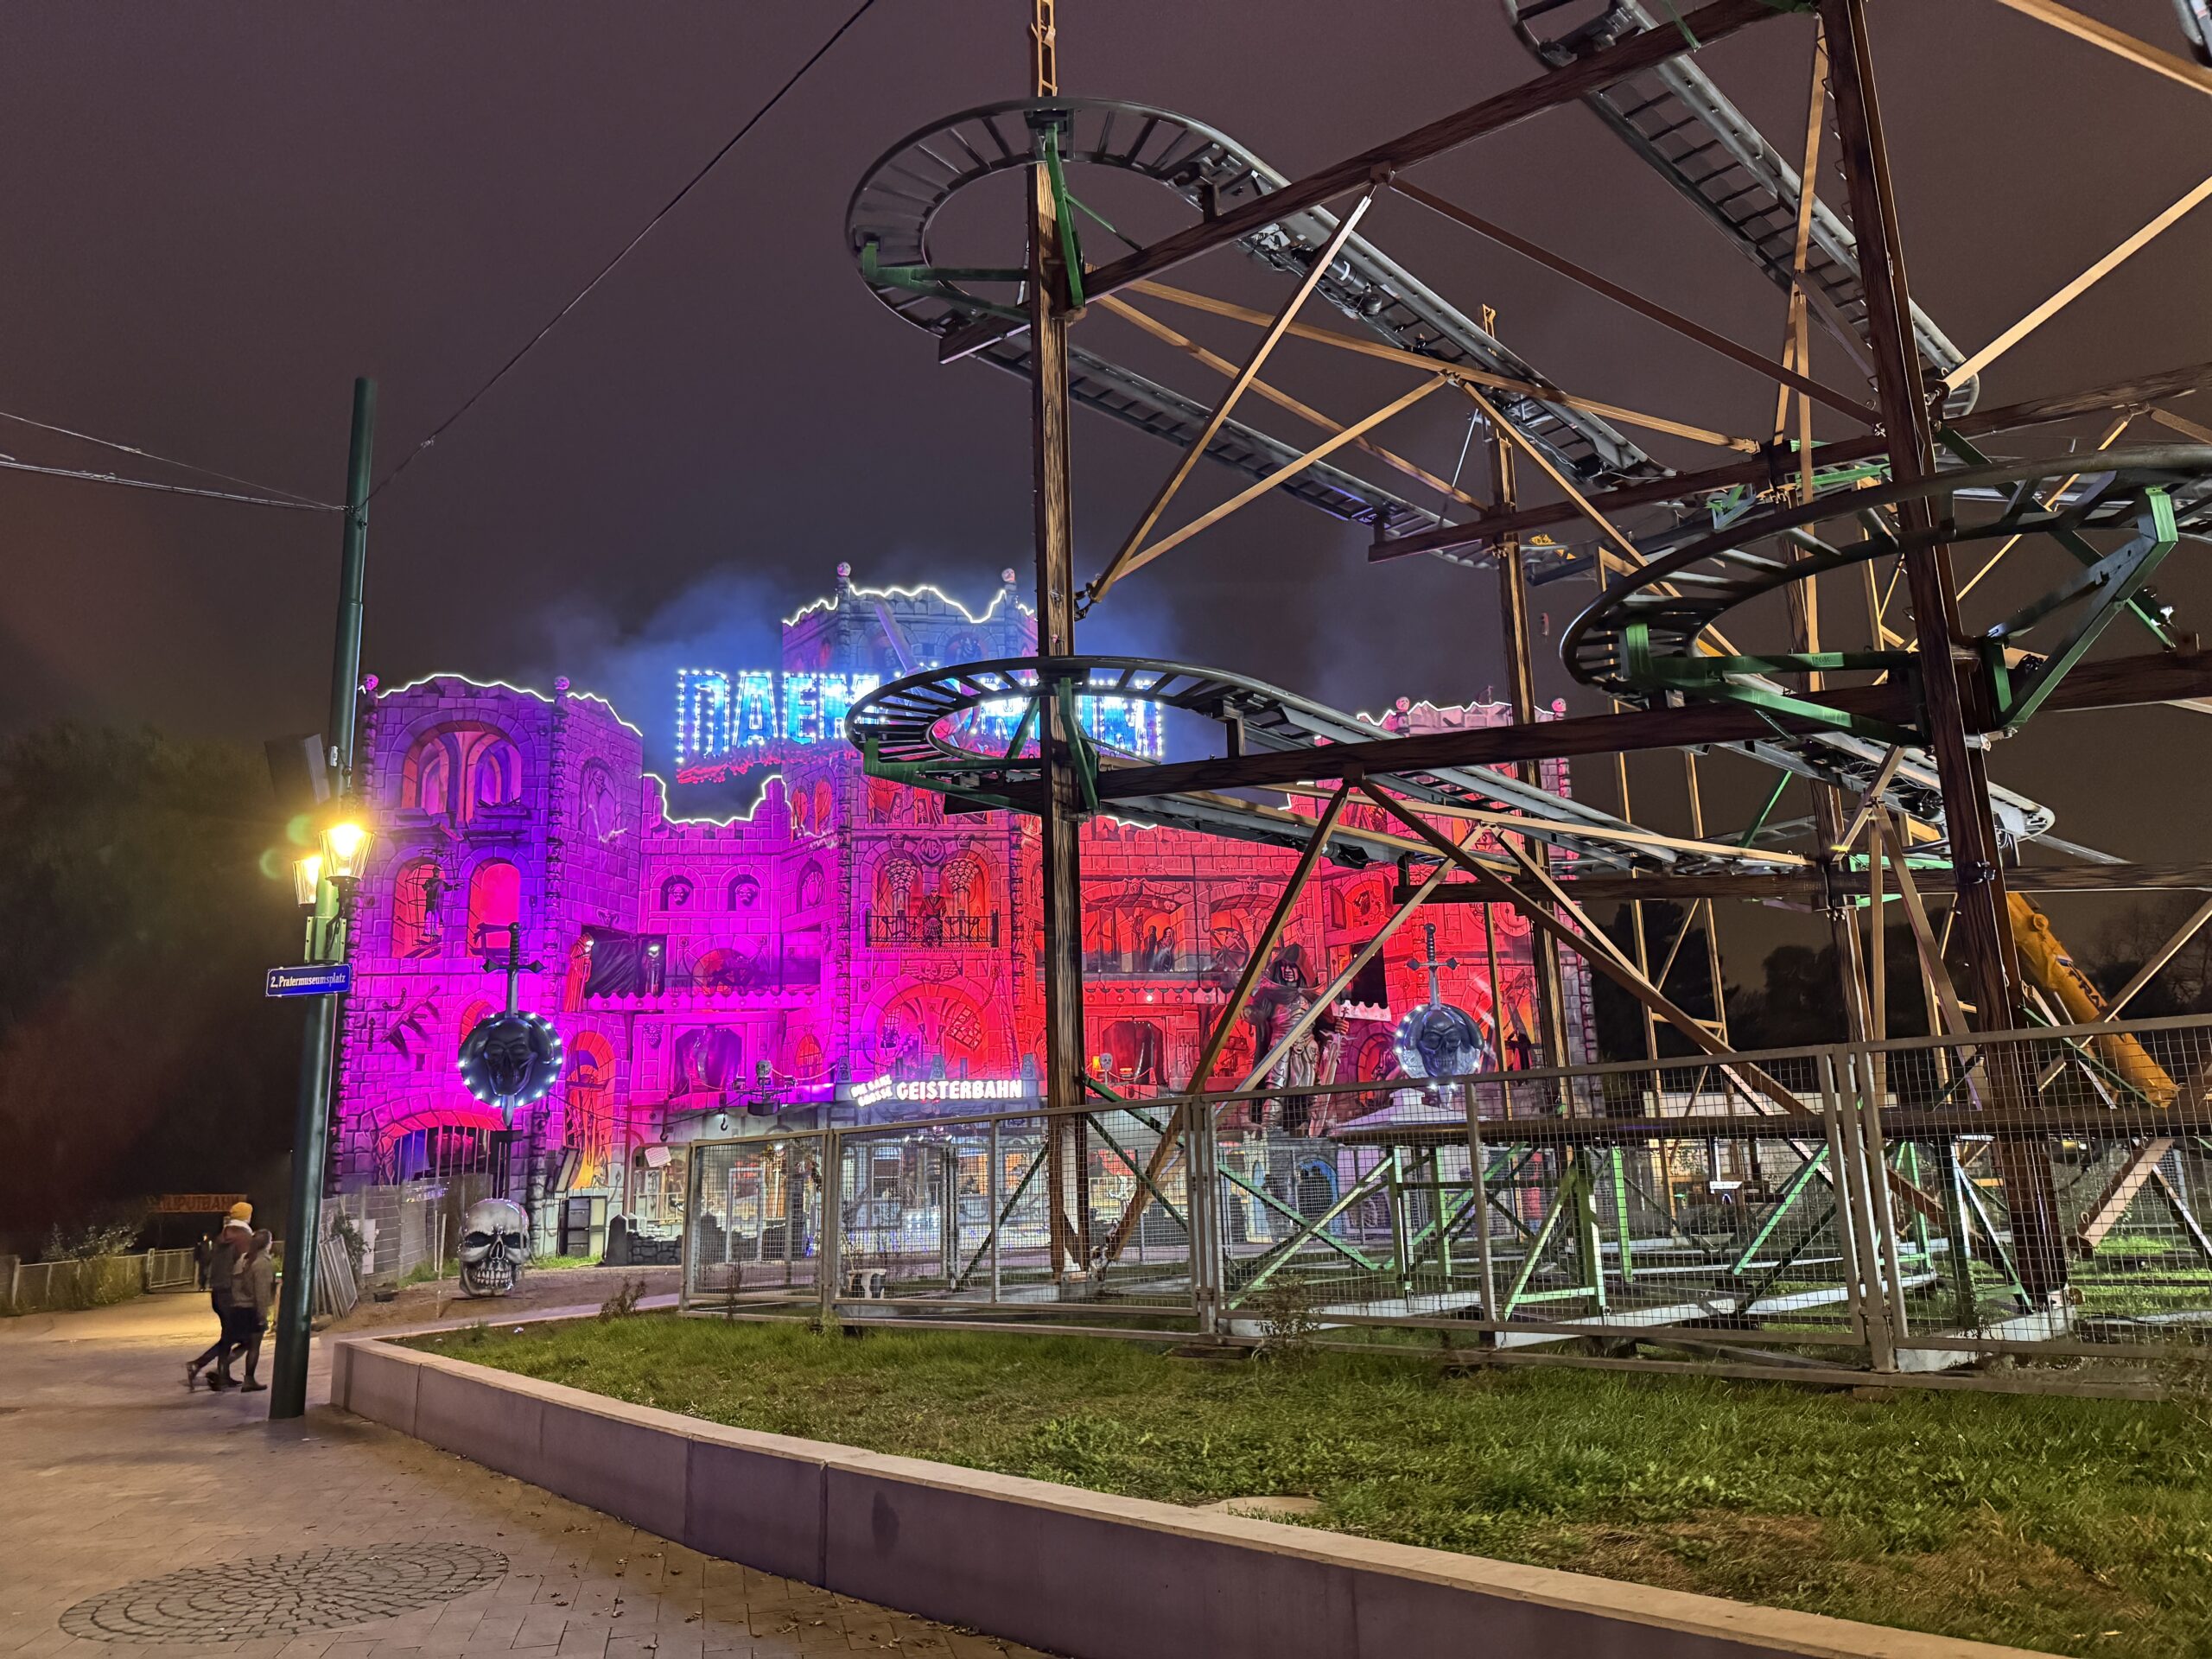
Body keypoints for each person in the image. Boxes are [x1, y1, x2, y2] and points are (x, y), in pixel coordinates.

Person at [186, 1207, 251, 1389]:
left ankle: (220, 1374)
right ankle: (205, 1366)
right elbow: (245, 1265)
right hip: (231, 1293)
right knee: (247, 1338)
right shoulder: (243, 1237)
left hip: (217, 1292)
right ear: (247, 1216)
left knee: (229, 1336)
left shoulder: (221, 1237)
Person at [226, 1230, 276, 1392]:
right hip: (252, 1309)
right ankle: (249, 1379)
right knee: (254, 1346)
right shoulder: (262, 1263)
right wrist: (263, 1314)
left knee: (246, 1344)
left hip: (239, 1307)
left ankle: (222, 1367)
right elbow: (262, 1292)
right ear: (268, 1244)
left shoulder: (245, 1259)